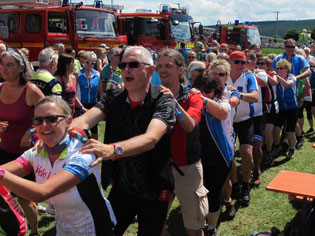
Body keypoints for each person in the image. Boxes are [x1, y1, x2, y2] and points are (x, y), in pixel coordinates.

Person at [71, 46, 176, 236]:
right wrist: (55, 133)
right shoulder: (114, 97)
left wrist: (113, 150)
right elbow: (85, 120)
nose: (126, 69)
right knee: (106, 232)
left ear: (150, 70)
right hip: (121, 186)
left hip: (154, 188)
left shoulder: (163, 100)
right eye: (123, 65)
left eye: (133, 65)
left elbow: (151, 139)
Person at [0, 95, 117, 235]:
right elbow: (6, 170)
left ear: (68, 122)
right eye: (38, 120)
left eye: (52, 119)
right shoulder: (37, 152)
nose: (44, 125)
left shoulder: (83, 154)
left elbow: (41, 193)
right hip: (63, 229)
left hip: (95, 230)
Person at [157, 49, 207, 236]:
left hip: (188, 169)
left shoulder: (192, 96)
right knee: (156, 224)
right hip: (161, 170)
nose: (163, 70)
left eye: (168, 66)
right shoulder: (153, 96)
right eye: (160, 66)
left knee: (193, 229)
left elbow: (190, 125)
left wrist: (174, 103)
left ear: (180, 70)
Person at [0, 48, 45, 236]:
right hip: (3, 149)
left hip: (25, 154)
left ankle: (34, 232)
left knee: (25, 197)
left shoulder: (31, 90)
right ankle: (14, 226)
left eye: (9, 65)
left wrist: (30, 130)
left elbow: (49, 114)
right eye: (2, 64)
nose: (4, 68)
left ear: (20, 68)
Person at [193, 71, 234, 236]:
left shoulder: (222, 101)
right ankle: (201, 222)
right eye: (200, 90)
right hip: (197, 155)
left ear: (215, 91)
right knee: (198, 193)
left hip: (220, 156)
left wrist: (201, 99)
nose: (204, 94)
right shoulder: (191, 102)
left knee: (213, 193)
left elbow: (222, 113)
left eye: (207, 91)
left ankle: (211, 228)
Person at [209, 59, 240, 219]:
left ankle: (228, 201)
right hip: (206, 141)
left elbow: (234, 101)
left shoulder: (230, 91)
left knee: (224, 177)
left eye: (221, 74)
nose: (217, 77)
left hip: (225, 141)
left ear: (227, 76)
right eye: (214, 73)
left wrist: (225, 100)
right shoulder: (204, 90)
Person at [226, 51, 258, 204]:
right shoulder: (222, 74)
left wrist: (237, 94)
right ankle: (235, 184)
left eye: (243, 62)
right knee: (229, 155)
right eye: (236, 62)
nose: (240, 65)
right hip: (227, 121)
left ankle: (246, 184)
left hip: (245, 120)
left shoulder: (249, 76)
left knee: (246, 153)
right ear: (229, 62)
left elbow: (255, 97)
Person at [246, 50, 267, 187]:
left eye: (247, 61)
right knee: (247, 146)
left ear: (253, 62)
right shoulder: (240, 73)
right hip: (245, 115)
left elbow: (263, 83)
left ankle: (257, 168)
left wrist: (251, 73)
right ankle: (249, 169)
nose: (244, 64)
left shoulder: (260, 72)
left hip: (259, 113)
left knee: (257, 145)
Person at [273, 59, 299, 159]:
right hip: (281, 108)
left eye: (281, 68)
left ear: (287, 69)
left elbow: (287, 84)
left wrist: (277, 76)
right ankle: (277, 146)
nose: (279, 70)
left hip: (292, 108)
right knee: (276, 128)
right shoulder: (277, 79)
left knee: (290, 131)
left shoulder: (292, 78)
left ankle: (292, 148)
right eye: (278, 68)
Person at [256, 56, 279, 165]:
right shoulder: (256, 74)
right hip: (261, 106)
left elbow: (274, 83)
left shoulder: (272, 74)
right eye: (259, 63)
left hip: (272, 106)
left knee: (268, 131)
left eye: (262, 64)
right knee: (261, 132)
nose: (260, 66)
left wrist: (264, 74)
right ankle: (265, 148)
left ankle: (270, 152)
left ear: (268, 66)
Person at [76, 51, 103, 139]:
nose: (89, 65)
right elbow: (73, 93)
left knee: (94, 131)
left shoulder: (97, 74)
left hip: (93, 105)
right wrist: (81, 107)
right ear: (84, 61)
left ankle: (95, 151)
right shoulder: (77, 74)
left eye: (92, 63)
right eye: (87, 62)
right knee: (82, 132)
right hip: (80, 104)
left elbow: (101, 92)